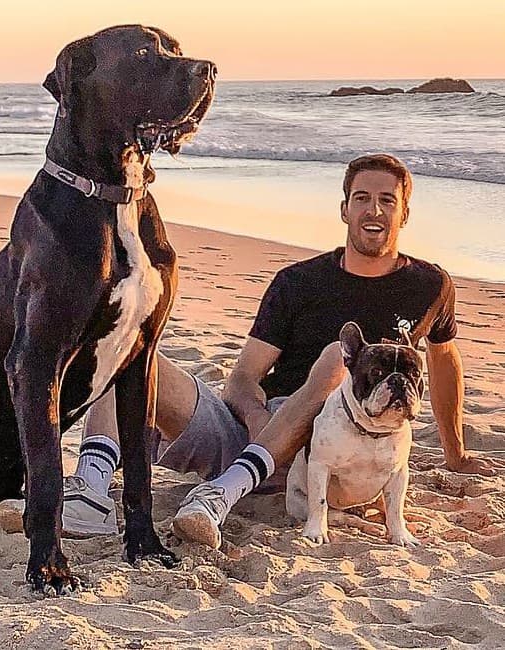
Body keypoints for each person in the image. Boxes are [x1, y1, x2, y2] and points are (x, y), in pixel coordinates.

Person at [61, 153, 491, 547]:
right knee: (127, 351)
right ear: (344, 209)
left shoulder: (428, 286)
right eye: (361, 198)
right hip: (251, 435)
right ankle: (92, 490)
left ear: (404, 213)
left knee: (333, 358)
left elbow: (444, 361)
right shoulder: (298, 282)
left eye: (386, 200)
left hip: (324, 458)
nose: (373, 210)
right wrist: (256, 417)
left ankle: (221, 493)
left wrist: (456, 452)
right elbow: (244, 378)